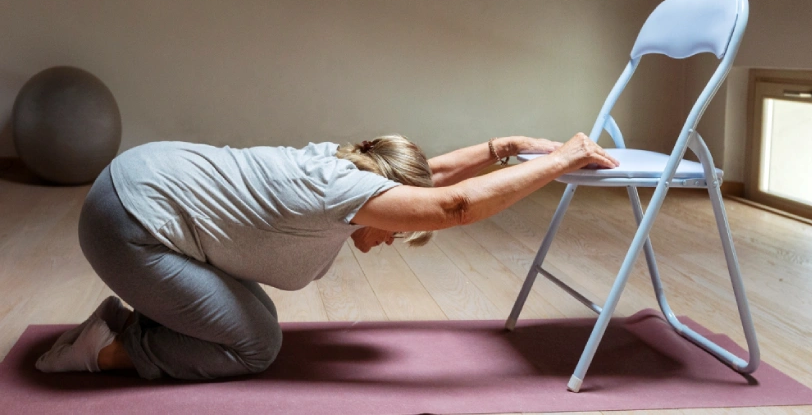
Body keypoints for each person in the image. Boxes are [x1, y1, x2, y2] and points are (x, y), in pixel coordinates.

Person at [35, 133, 618, 380]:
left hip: (138, 182)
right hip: (126, 224)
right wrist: (562, 161)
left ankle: (137, 319)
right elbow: (454, 205)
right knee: (255, 345)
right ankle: (103, 352)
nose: (389, 237)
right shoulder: (342, 193)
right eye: (394, 228)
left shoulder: (350, 165)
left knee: (255, 314)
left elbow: (434, 177)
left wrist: (508, 147)